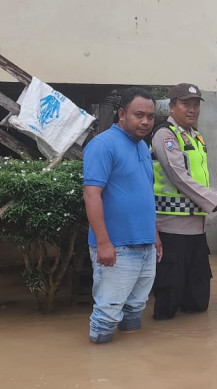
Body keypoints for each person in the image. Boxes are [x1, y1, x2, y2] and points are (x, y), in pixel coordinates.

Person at [149, 83, 217, 320]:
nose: (192, 109)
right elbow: (179, 177)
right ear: (172, 105)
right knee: (168, 302)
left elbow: (200, 178)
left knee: (198, 302)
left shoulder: (196, 136)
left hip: (197, 230)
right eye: (186, 104)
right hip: (171, 229)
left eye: (196, 104)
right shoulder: (165, 135)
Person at [83, 87, 162, 344]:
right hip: (117, 247)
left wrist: (155, 237)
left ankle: (129, 371)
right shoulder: (103, 145)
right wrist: (104, 243)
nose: (145, 122)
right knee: (107, 314)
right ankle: (100, 374)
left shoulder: (141, 147)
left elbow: (145, 195)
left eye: (150, 117)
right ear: (121, 114)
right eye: (139, 115)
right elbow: (91, 195)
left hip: (145, 245)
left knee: (135, 310)